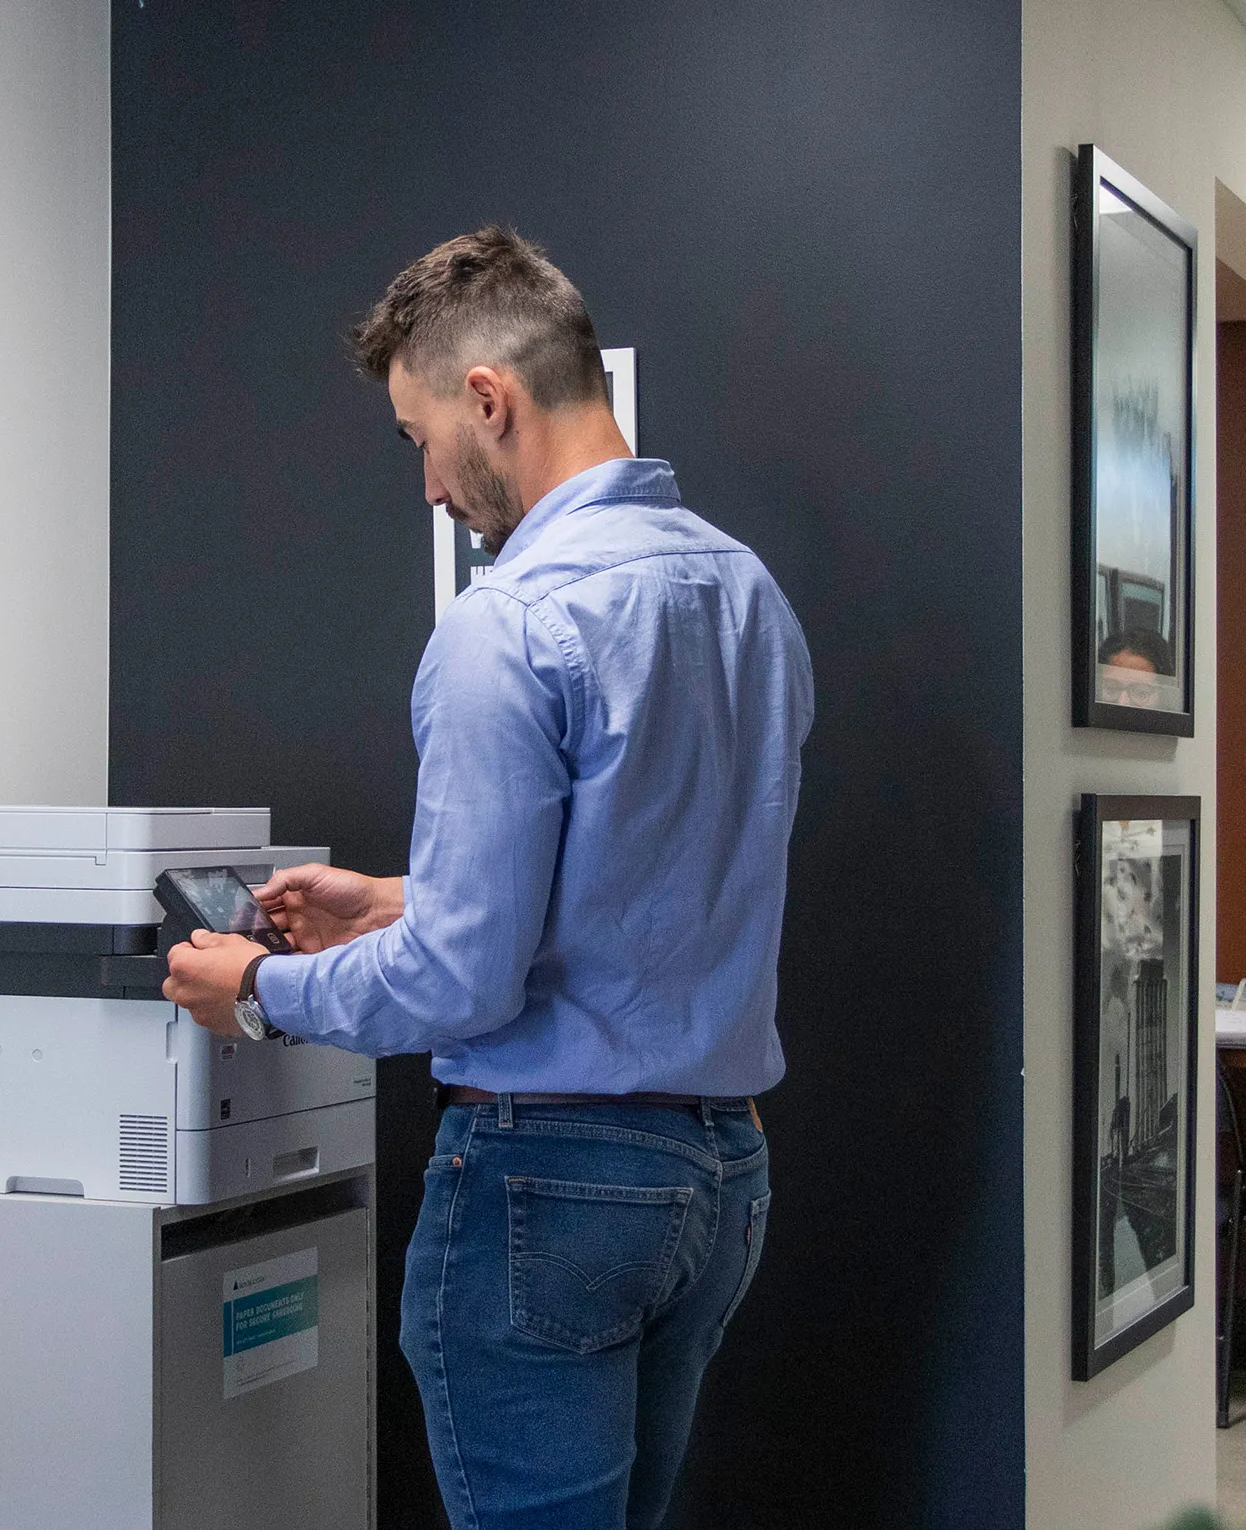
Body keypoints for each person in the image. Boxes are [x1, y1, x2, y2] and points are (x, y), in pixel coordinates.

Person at [160, 225, 813, 1530]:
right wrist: (396, 895)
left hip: (549, 1187)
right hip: (717, 1175)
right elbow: (650, 877)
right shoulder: (748, 596)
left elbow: (465, 978)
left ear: (488, 401)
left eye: (416, 440)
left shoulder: (506, 626)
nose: (428, 488)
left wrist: (259, 988)